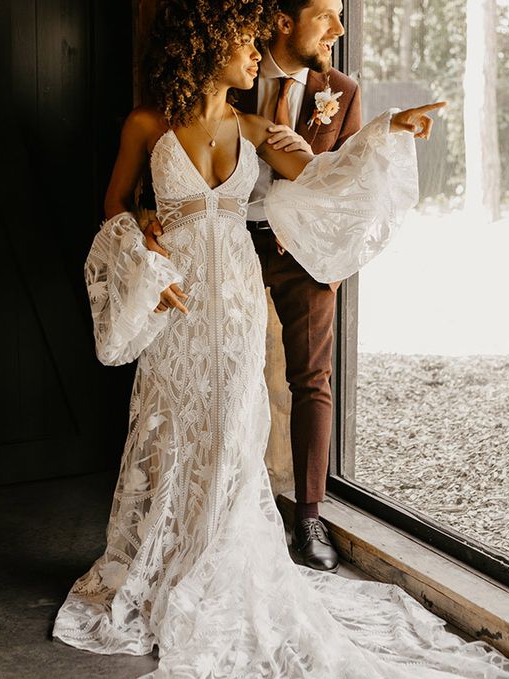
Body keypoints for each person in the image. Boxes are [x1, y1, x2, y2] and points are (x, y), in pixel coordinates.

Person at [53, 1, 509, 679]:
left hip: (241, 303)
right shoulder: (146, 124)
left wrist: (384, 134)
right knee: (173, 428)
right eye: (245, 45)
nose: (257, 56)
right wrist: (145, 246)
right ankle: (168, 560)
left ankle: (218, 563)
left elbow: (323, 178)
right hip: (180, 304)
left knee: (232, 432)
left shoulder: (254, 127)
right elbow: (113, 206)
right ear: (207, 43)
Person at [145, 0, 362, 573]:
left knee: (311, 375)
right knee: (205, 376)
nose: (337, 29)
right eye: (325, 15)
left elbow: (342, 177)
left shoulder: (339, 88)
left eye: (342, 15)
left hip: (299, 250)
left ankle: (308, 516)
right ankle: (194, 510)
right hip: (222, 246)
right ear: (285, 22)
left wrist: (389, 135)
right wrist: (143, 230)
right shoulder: (227, 76)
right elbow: (159, 168)